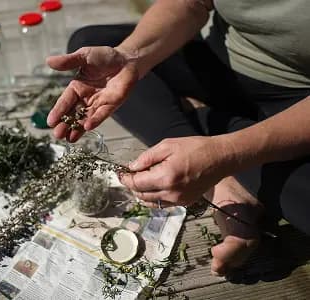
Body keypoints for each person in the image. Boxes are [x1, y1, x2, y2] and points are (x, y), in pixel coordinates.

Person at [46, 0, 310, 276]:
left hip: (298, 99)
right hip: (222, 66)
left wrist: (228, 152)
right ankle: (224, 179)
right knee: (95, 48)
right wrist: (130, 59)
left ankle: (219, 137)